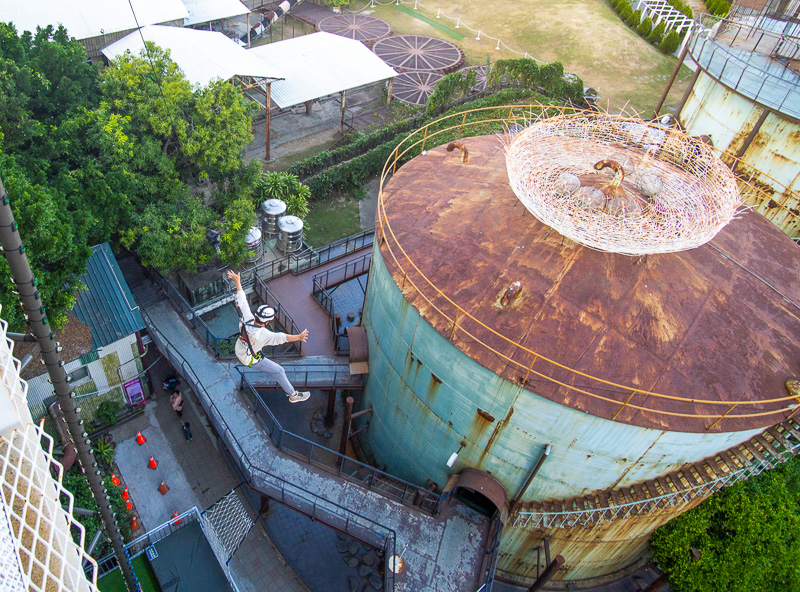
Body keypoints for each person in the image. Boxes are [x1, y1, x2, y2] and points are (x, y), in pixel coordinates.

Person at [227, 270, 311, 403]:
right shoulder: (264, 335)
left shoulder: (246, 319)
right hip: (248, 358)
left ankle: (292, 393)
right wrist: (298, 337)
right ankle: (293, 394)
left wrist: (237, 282)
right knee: (278, 371)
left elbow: (242, 301)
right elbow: (281, 338)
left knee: (259, 352)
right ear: (267, 322)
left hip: (241, 348)